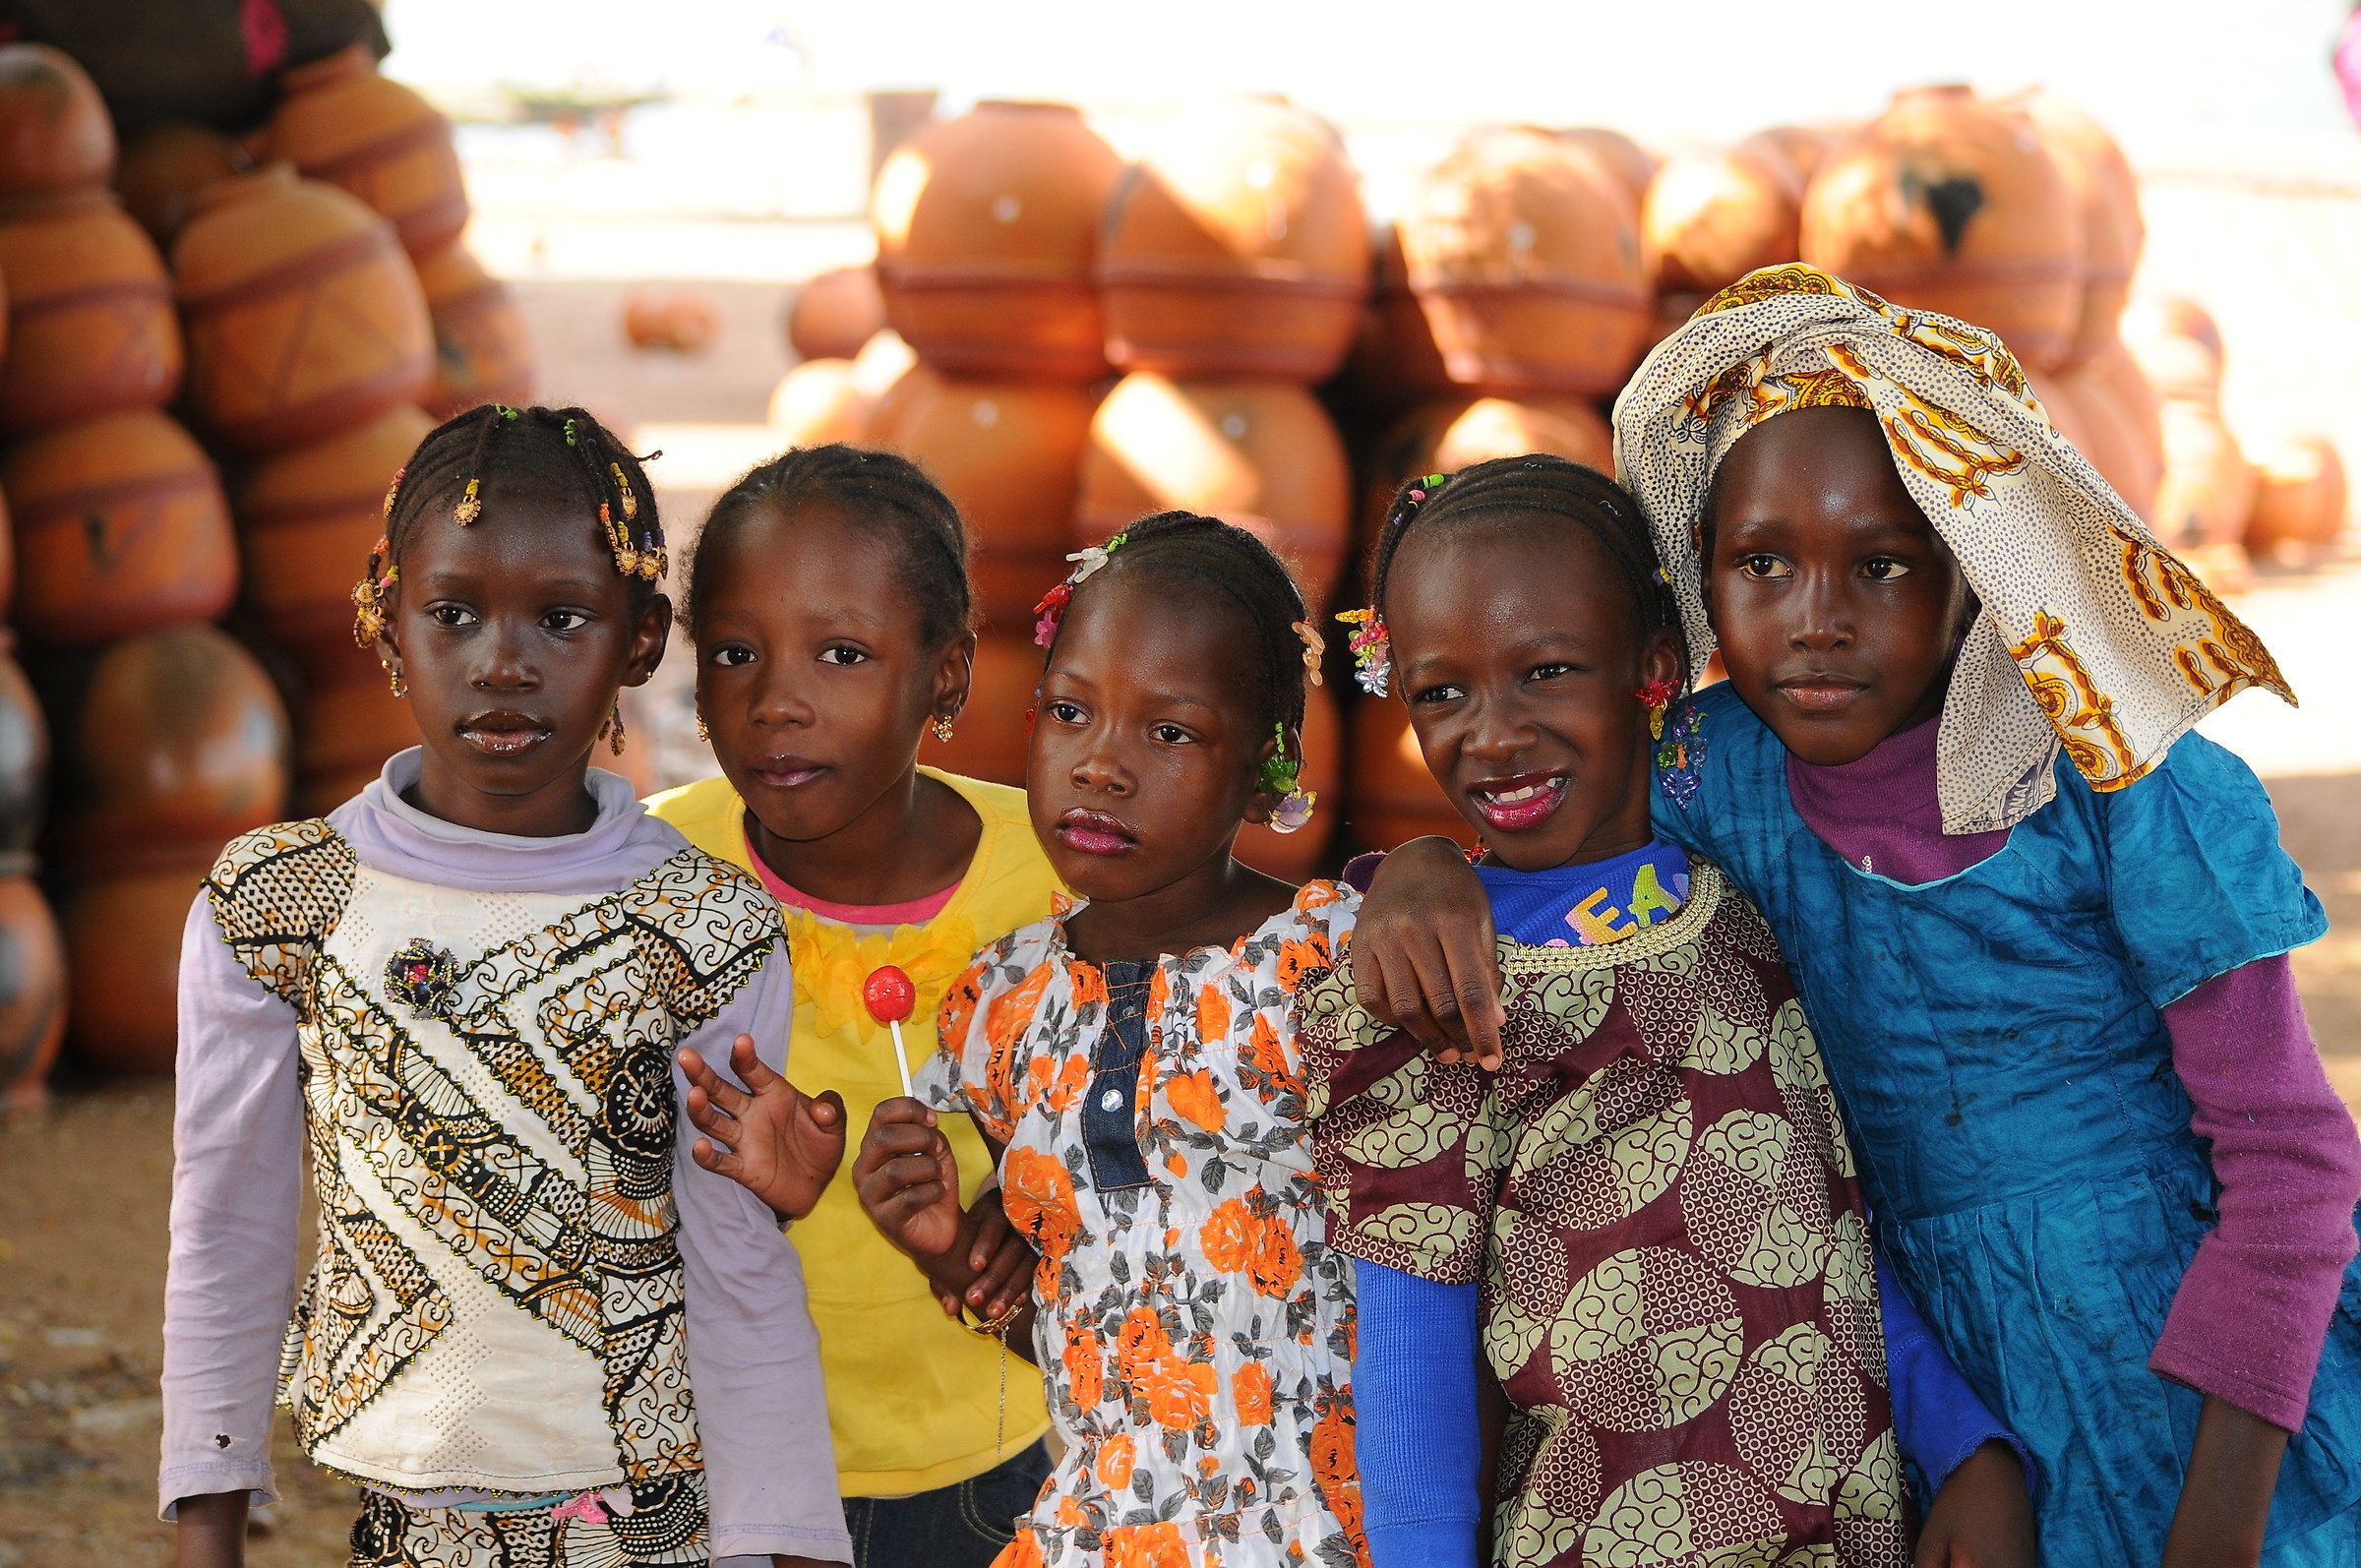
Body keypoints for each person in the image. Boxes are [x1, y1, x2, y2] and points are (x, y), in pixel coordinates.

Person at [1350, 267, 2361, 1566]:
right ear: (1700, 578)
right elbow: (1547, 823)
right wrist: (1428, 865)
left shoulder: (2116, 786)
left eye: (1881, 564)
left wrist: (2219, 1528)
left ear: (1971, 570)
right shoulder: (1711, 772)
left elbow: (2289, 1160)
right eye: (1762, 563)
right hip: (1909, 1397)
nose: (1816, 621)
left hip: (2207, 1394)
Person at [1300, 455, 2034, 1568]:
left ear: (1653, 668)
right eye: (1441, 692)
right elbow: (1414, 1374)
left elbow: (1817, 1226)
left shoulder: (1735, 905)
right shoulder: (1433, 986)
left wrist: (1964, 1444)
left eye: (1547, 671)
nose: (1491, 735)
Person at [159, 405, 852, 1568]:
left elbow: (738, 1264)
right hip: (405, 1534)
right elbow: (226, 1223)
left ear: (641, 640)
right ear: (388, 619)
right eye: (454, 614)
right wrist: (206, 1524)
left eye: (562, 617)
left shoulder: (704, 925)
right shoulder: (282, 905)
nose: (504, 662)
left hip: (659, 1529)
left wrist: (788, 1544)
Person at [682, 513, 1366, 1567]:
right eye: (1070, 713)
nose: (1101, 765)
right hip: (1094, 1533)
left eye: (1170, 733)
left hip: (1315, 1535)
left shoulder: (1328, 965)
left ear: (1268, 762)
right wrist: (943, 1247)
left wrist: (1425, 870)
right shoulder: (1003, 1000)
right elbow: (1084, 1320)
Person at [645, 445, 1058, 1566]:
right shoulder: (653, 870)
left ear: (947, 676)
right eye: (734, 653)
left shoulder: (1054, 881)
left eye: (842, 653)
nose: (777, 701)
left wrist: (999, 1252)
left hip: (975, 1472)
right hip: (709, 1471)